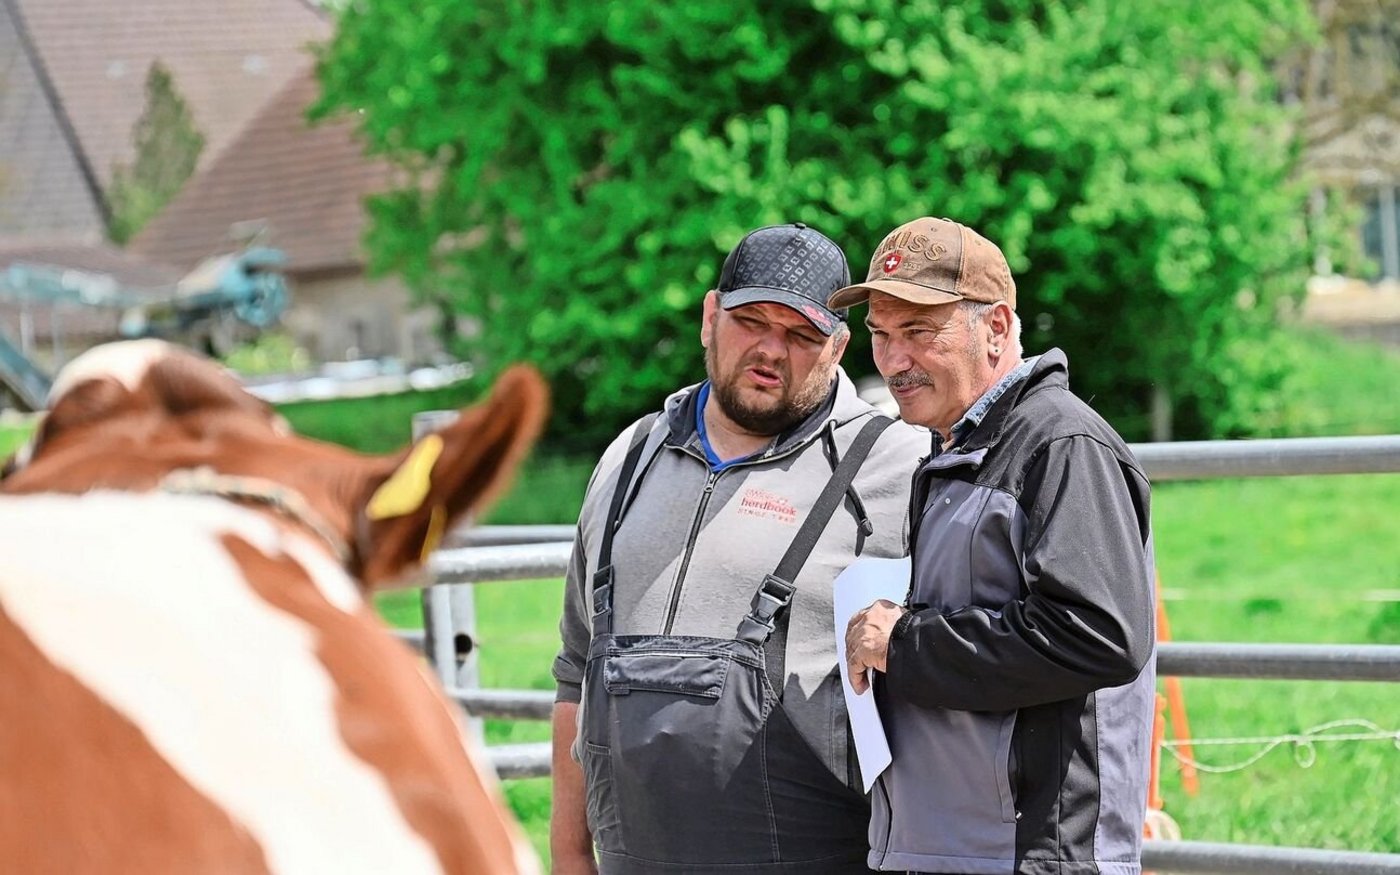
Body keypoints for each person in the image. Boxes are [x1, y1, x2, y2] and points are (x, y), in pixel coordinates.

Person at [550, 222, 927, 874]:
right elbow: (574, 673)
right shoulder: (627, 460)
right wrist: (568, 857)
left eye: (801, 334)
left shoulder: (897, 470)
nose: (771, 349)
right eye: (751, 321)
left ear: (838, 346)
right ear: (708, 316)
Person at [837, 217, 1157, 874]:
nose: (895, 360)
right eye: (881, 336)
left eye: (920, 332)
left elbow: (1100, 634)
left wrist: (903, 643)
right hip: (951, 846)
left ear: (998, 327)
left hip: (1030, 854)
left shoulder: (1061, 444)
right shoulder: (960, 447)